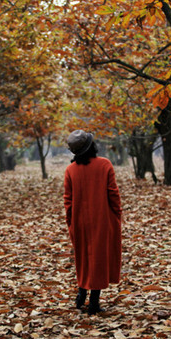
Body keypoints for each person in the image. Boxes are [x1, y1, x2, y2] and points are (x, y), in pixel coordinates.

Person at [63, 130, 122, 315]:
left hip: (79, 221)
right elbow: (113, 194)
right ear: (92, 146)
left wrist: (70, 222)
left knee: (83, 257)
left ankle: (81, 294)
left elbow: (68, 200)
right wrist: (117, 215)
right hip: (102, 219)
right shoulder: (105, 164)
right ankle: (94, 302)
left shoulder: (70, 170)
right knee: (99, 258)